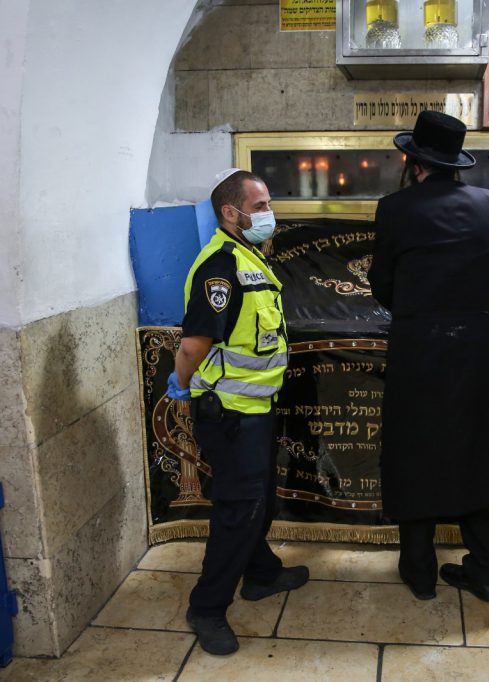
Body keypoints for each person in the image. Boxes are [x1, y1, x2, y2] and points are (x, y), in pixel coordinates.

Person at [368, 111, 489, 603]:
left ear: (412, 161)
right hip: (479, 347)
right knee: (479, 450)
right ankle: (486, 572)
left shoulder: (394, 208)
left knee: (416, 450)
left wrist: (420, 310)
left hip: (419, 349)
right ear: (456, 163)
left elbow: (381, 284)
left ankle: (420, 571)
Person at [167, 168, 309, 655]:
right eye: (261, 205)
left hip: (255, 407)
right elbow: (193, 345)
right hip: (228, 413)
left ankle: (261, 573)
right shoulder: (220, 266)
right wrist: (181, 386)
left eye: (268, 204)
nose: (270, 214)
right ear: (231, 213)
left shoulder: (249, 256)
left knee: (260, 500)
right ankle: (206, 607)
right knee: (239, 510)